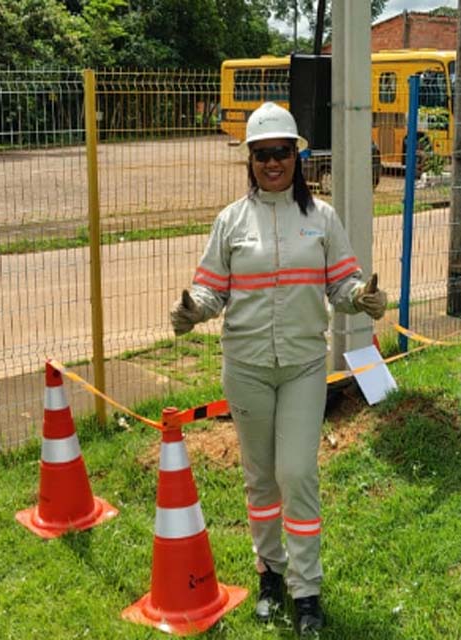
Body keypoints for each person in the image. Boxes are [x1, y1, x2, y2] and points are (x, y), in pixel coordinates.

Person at [169, 101, 388, 635]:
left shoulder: (322, 219)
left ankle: (306, 589)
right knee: (261, 479)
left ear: (297, 156)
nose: (272, 162)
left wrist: (362, 297)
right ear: (250, 158)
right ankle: (269, 570)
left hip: (302, 367)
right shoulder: (231, 221)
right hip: (244, 367)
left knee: (297, 473)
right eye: (263, 154)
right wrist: (191, 310)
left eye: (282, 152)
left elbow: (342, 285)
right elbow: (210, 289)